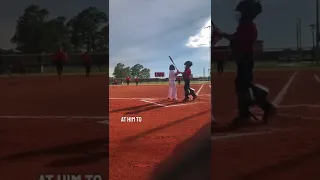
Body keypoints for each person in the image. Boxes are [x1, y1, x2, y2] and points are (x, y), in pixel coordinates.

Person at [216, 0, 276, 126]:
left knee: (243, 85)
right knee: (242, 85)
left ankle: (262, 108)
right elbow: (235, 41)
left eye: (242, 12)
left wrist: (222, 34)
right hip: (243, 59)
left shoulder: (249, 26)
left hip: (246, 59)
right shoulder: (244, 26)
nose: (239, 15)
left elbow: (236, 38)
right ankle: (246, 113)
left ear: (247, 13)